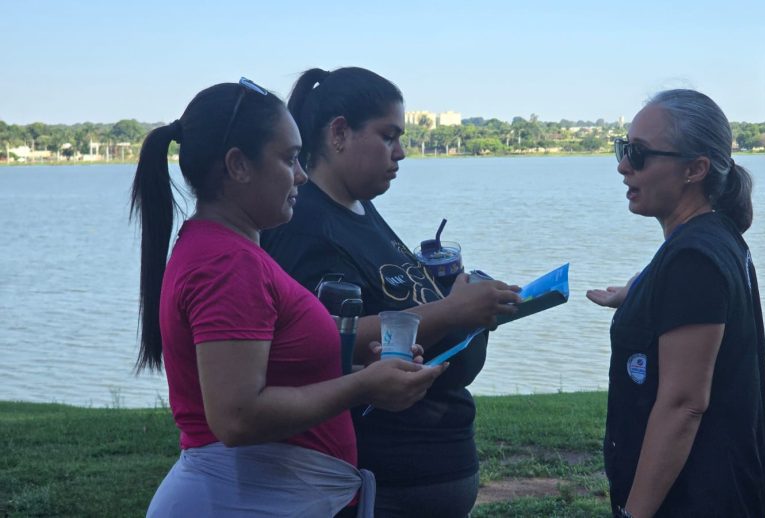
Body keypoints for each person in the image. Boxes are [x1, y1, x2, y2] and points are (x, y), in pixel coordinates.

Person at [131, 78, 445, 518]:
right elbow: (238, 417)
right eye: (289, 158)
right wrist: (362, 386)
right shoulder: (226, 264)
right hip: (239, 502)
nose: (301, 175)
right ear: (238, 165)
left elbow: (275, 371)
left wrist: (371, 373)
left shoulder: (227, 250)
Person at [261, 67, 521, 518]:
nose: (400, 153)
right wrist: (453, 311)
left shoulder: (360, 206)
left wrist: (452, 292)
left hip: (434, 465)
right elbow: (318, 338)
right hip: (382, 476)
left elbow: (387, 296)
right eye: (388, 136)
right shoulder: (305, 225)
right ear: (339, 133)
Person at [587, 89, 765, 517]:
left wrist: (634, 514)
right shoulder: (714, 235)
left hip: (694, 501)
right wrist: (635, 293)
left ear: (695, 169)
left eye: (639, 154)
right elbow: (687, 294)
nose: (623, 166)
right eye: (623, 148)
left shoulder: (693, 260)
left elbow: (683, 406)